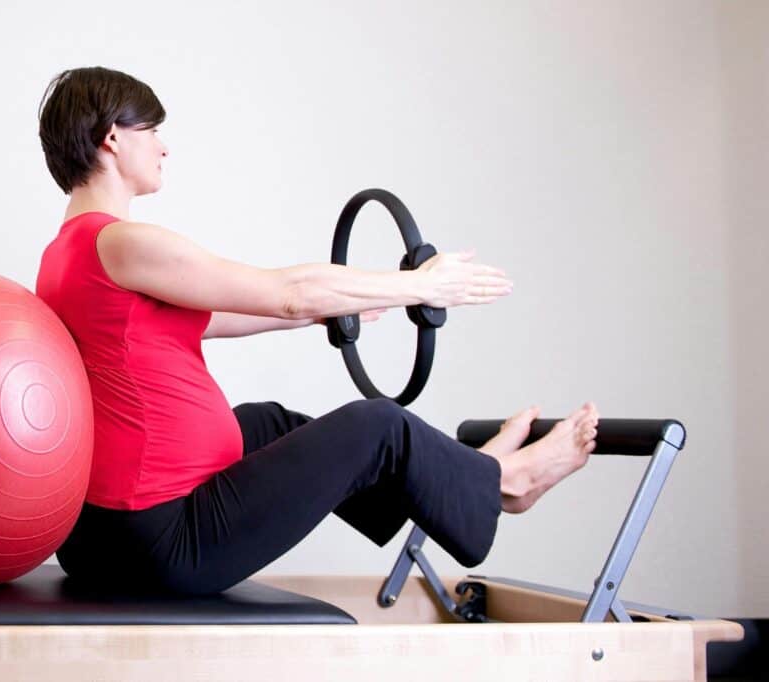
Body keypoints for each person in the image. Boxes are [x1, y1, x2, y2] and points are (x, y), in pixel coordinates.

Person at [35, 66, 600, 597]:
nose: (163, 145)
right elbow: (288, 290)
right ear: (113, 138)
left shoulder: (69, 252)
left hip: (102, 536)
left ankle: (460, 476)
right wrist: (421, 287)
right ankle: (507, 481)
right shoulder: (124, 243)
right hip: (159, 541)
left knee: (266, 422)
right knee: (376, 425)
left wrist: (320, 314)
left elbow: (216, 315)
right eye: (153, 130)